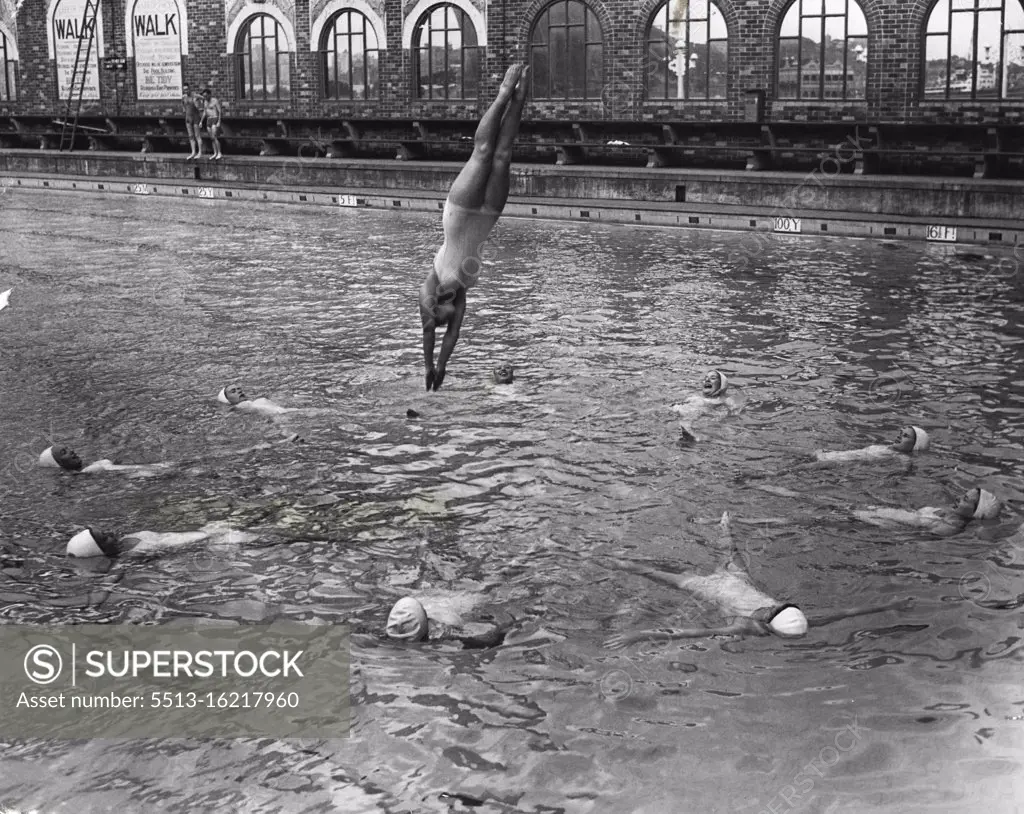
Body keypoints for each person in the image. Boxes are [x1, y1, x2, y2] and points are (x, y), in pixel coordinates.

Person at [603, 512, 911, 648]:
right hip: (740, 580)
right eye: (777, 606)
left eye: (768, 612)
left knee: (650, 573)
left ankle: (612, 561)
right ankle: (724, 523)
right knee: (729, 545)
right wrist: (890, 604)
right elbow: (848, 612)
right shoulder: (797, 618)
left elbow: (687, 632)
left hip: (709, 588)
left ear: (765, 624)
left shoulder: (745, 627)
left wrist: (639, 636)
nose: (770, 607)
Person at [420, 64, 529, 392]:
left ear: (437, 304)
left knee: (482, 153)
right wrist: (441, 369)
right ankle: (520, 100)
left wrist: (429, 365)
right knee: (503, 157)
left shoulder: (430, 288)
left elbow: (431, 335)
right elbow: (452, 336)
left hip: (459, 213)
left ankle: (502, 95)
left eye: (444, 309)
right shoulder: (462, 295)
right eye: (450, 313)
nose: (451, 311)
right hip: (486, 216)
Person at [853, 486, 1002, 537]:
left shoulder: (951, 526)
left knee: (841, 512)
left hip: (879, 523)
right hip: (886, 513)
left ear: (975, 512)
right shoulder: (948, 510)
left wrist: (877, 524)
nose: (958, 498)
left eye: (965, 499)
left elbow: (916, 538)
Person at [385, 593, 515, 649]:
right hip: (428, 599)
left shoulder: (443, 630)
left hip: (461, 602)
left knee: (493, 595)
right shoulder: (397, 624)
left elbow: (488, 638)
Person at [67, 522, 256, 559]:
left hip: (205, 533)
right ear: (101, 550)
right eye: (105, 537)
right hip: (210, 543)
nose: (109, 532)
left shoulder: (125, 539)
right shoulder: (132, 555)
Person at [671, 370, 741, 442]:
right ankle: (690, 432)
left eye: (713, 378)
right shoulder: (694, 397)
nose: (707, 380)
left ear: (722, 384)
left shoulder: (726, 400)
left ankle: (692, 434)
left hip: (705, 415)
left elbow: (732, 413)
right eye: (705, 378)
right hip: (688, 412)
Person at [814, 425, 930, 463]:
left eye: (905, 436)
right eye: (900, 433)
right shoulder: (888, 446)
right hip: (835, 455)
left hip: (838, 462)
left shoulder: (902, 457)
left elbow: (903, 473)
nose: (899, 436)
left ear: (915, 447)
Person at [38, 445, 173, 477]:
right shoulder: (87, 471)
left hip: (155, 469)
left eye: (68, 448)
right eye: (64, 453)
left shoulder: (90, 467)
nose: (71, 451)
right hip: (154, 473)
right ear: (59, 464)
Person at [217, 384, 294, 417]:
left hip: (286, 412)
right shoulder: (239, 407)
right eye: (233, 391)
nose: (239, 391)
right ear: (227, 400)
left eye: (239, 389)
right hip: (280, 416)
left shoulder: (255, 401)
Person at [199, 87, 223, 160]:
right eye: (204, 96)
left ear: (209, 95)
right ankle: (215, 153)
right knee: (212, 138)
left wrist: (219, 121)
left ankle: (219, 152)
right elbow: (204, 112)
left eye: (206, 96)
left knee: (215, 137)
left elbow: (219, 111)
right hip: (209, 119)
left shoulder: (214, 101)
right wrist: (201, 121)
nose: (205, 97)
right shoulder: (205, 102)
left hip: (215, 118)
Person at [181, 82, 203, 160]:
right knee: (191, 136)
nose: (186, 91)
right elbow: (183, 106)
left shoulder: (195, 95)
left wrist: (200, 105)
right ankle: (193, 152)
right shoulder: (183, 97)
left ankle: (200, 152)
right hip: (188, 118)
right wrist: (184, 109)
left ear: (189, 88)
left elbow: (203, 98)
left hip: (195, 117)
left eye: (187, 89)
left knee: (197, 135)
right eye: (184, 90)